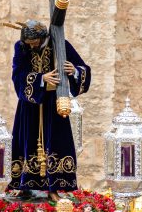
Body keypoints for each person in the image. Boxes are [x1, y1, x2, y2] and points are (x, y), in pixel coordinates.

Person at [7, 19, 91, 200]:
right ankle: (24, 184)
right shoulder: (21, 47)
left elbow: (84, 69)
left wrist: (74, 71)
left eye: (35, 42)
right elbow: (17, 74)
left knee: (56, 142)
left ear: (43, 37)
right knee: (26, 142)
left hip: (54, 104)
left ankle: (54, 188)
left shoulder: (60, 45)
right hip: (29, 105)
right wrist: (41, 79)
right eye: (28, 43)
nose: (32, 46)